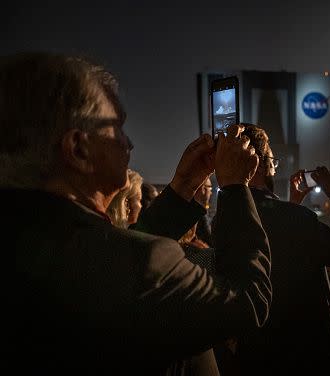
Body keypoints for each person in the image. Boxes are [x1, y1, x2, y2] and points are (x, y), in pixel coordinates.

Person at [1, 52, 271, 375]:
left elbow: (120, 245)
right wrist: (235, 187)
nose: (129, 145)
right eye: (117, 129)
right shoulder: (140, 269)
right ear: (78, 149)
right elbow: (249, 301)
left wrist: (181, 188)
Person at [223, 124, 330, 375]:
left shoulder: (226, 218)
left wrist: (292, 206)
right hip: (311, 358)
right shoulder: (296, 219)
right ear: (260, 163)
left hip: (258, 358)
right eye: (271, 159)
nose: (274, 167)